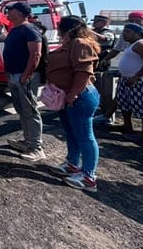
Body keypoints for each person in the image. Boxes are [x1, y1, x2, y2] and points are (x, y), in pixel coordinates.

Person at [46, 16, 101, 192]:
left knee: (84, 134)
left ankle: (88, 176)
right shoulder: (70, 44)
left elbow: (83, 72)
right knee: (72, 131)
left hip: (79, 96)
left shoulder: (80, 43)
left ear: (65, 28)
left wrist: (72, 94)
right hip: (68, 95)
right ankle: (72, 163)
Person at [2, 2, 45, 161]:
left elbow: (35, 55)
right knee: (22, 110)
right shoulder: (15, 29)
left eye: (10, 10)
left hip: (24, 77)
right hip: (15, 76)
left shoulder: (29, 29)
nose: (7, 12)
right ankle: (28, 142)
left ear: (19, 13)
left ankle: (36, 148)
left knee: (31, 111)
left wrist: (25, 76)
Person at [115, 23, 143, 142]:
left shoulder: (142, 44)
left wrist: (136, 77)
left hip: (139, 81)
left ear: (137, 34)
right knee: (124, 103)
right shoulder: (133, 44)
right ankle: (127, 126)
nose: (124, 33)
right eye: (124, 31)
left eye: (127, 31)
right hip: (126, 79)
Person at [90, 15, 117, 125]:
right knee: (92, 90)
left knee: (105, 92)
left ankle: (107, 116)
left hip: (102, 65)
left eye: (97, 21)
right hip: (92, 63)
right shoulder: (93, 31)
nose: (95, 23)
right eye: (95, 21)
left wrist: (89, 32)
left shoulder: (107, 32)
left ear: (104, 22)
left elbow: (104, 39)